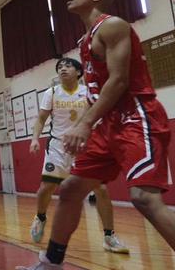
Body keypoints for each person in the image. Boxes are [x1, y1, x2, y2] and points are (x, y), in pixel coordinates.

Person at [18, 0, 175, 270]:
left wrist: (83, 124)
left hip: (136, 117)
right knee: (70, 190)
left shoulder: (113, 25)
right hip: (107, 124)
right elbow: (96, 92)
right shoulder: (84, 41)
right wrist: (85, 123)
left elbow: (119, 81)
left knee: (144, 198)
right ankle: (51, 263)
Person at [28, 57, 128, 253]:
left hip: (84, 146)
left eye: (67, 66)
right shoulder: (52, 92)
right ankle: (40, 217)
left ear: (79, 72)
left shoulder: (88, 93)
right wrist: (34, 139)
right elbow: (41, 119)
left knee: (101, 190)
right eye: (59, 67)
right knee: (46, 188)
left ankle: (109, 236)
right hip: (58, 145)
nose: (62, 69)